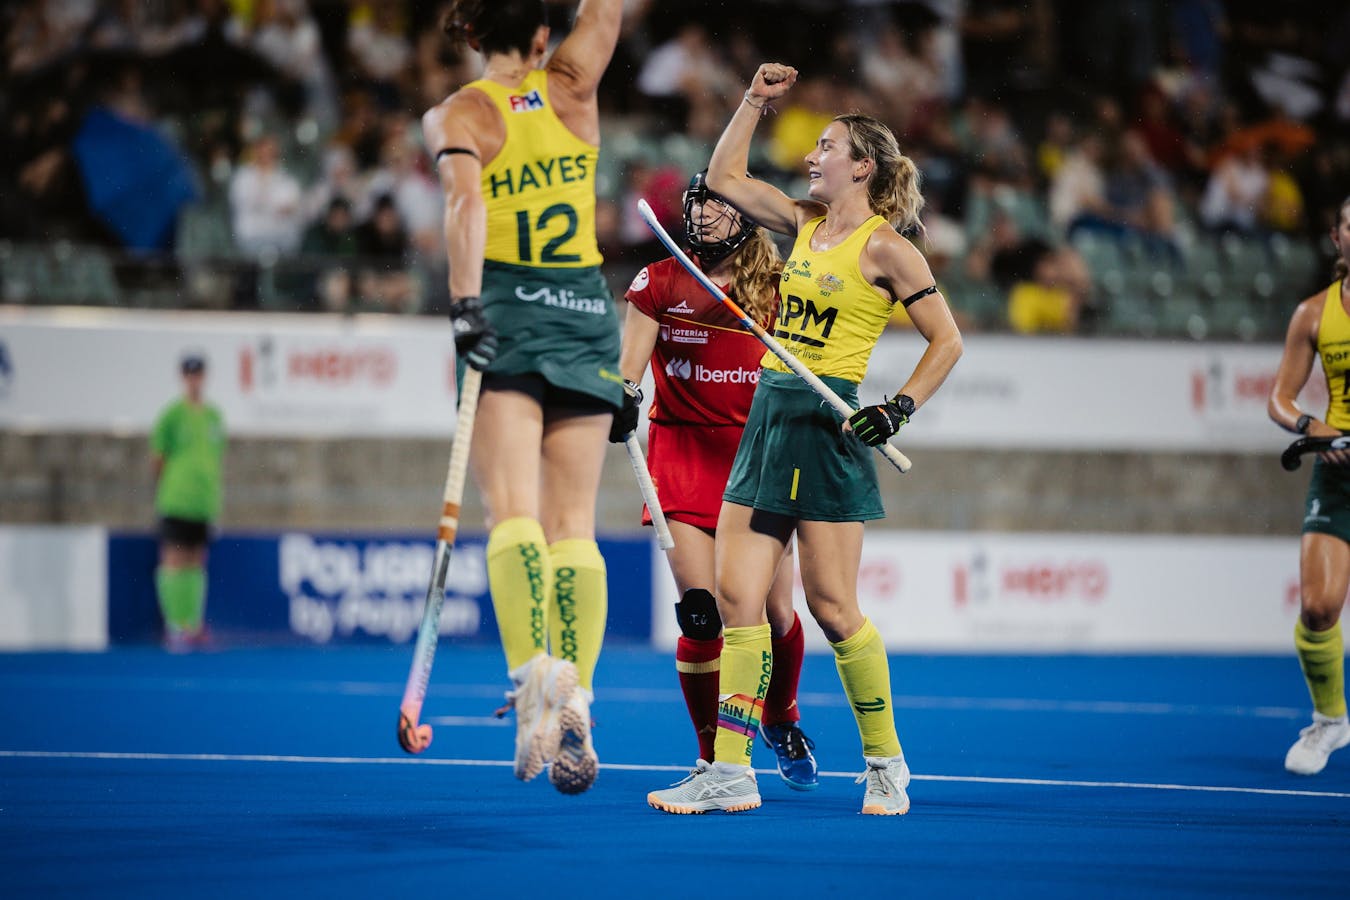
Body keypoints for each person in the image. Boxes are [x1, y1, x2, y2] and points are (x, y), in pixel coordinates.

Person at [646, 63, 963, 816]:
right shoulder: (804, 224)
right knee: (736, 600)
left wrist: (898, 410)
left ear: (864, 166)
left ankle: (886, 763)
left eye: (826, 146)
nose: (812, 156)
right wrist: (754, 99)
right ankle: (729, 770)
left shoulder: (890, 251)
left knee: (831, 607)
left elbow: (947, 341)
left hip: (829, 427)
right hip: (768, 421)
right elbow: (724, 175)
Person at [421, 0, 623, 796]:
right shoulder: (573, 83)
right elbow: (605, 9)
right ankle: (578, 692)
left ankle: (534, 676)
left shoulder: (463, 111)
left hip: (508, 304)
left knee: (512, 509)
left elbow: (464, 205)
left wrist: (465, 305)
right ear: (545, 32)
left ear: (470, 34)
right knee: (575, 521)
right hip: (583, 311)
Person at [615, 171, 819, 790]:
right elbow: (628, 370)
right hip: (681, 456)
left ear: (747, 216)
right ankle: (714, 759)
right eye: (698, 205)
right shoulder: (658, 280)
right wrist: (621, 397)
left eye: (718, 206)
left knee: (774, 612)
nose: (703, 217)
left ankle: (781, 717)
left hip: (758, 459)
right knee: (702, 616)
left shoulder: (782, 288)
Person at [1267, 193, 1350, 775]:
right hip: (1339, 466)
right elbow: (1280, 397)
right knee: (1320, 607)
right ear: (1337, 237)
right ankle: (1330, 722)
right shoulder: (1315, 314)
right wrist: (1314, 428)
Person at [150, 353, 225, 652]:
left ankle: (192, 623)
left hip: (203, 502)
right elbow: (158, 458)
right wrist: (170, 487)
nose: (195, 380)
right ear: (183, 378)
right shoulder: (171, 415)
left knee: (196, 560)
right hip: (177, 499)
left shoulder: (214, 416)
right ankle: (174, 625)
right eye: (190, 374)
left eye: (199, 374)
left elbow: (217, 458)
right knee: (173, 559)